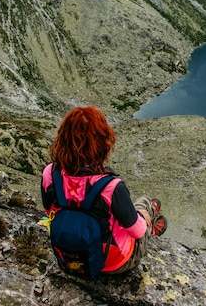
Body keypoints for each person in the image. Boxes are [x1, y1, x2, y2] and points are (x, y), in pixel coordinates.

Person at [40, 106, 167, 275]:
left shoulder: (50, 174)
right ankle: (150, 223)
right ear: (102, 143)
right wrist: (141, 219)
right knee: (142, 206)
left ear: (62, 137)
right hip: (112, 263)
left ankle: (148, 213)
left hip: (67, 259)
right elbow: (136, 231)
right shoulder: (111, 187)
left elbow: (50, 212)